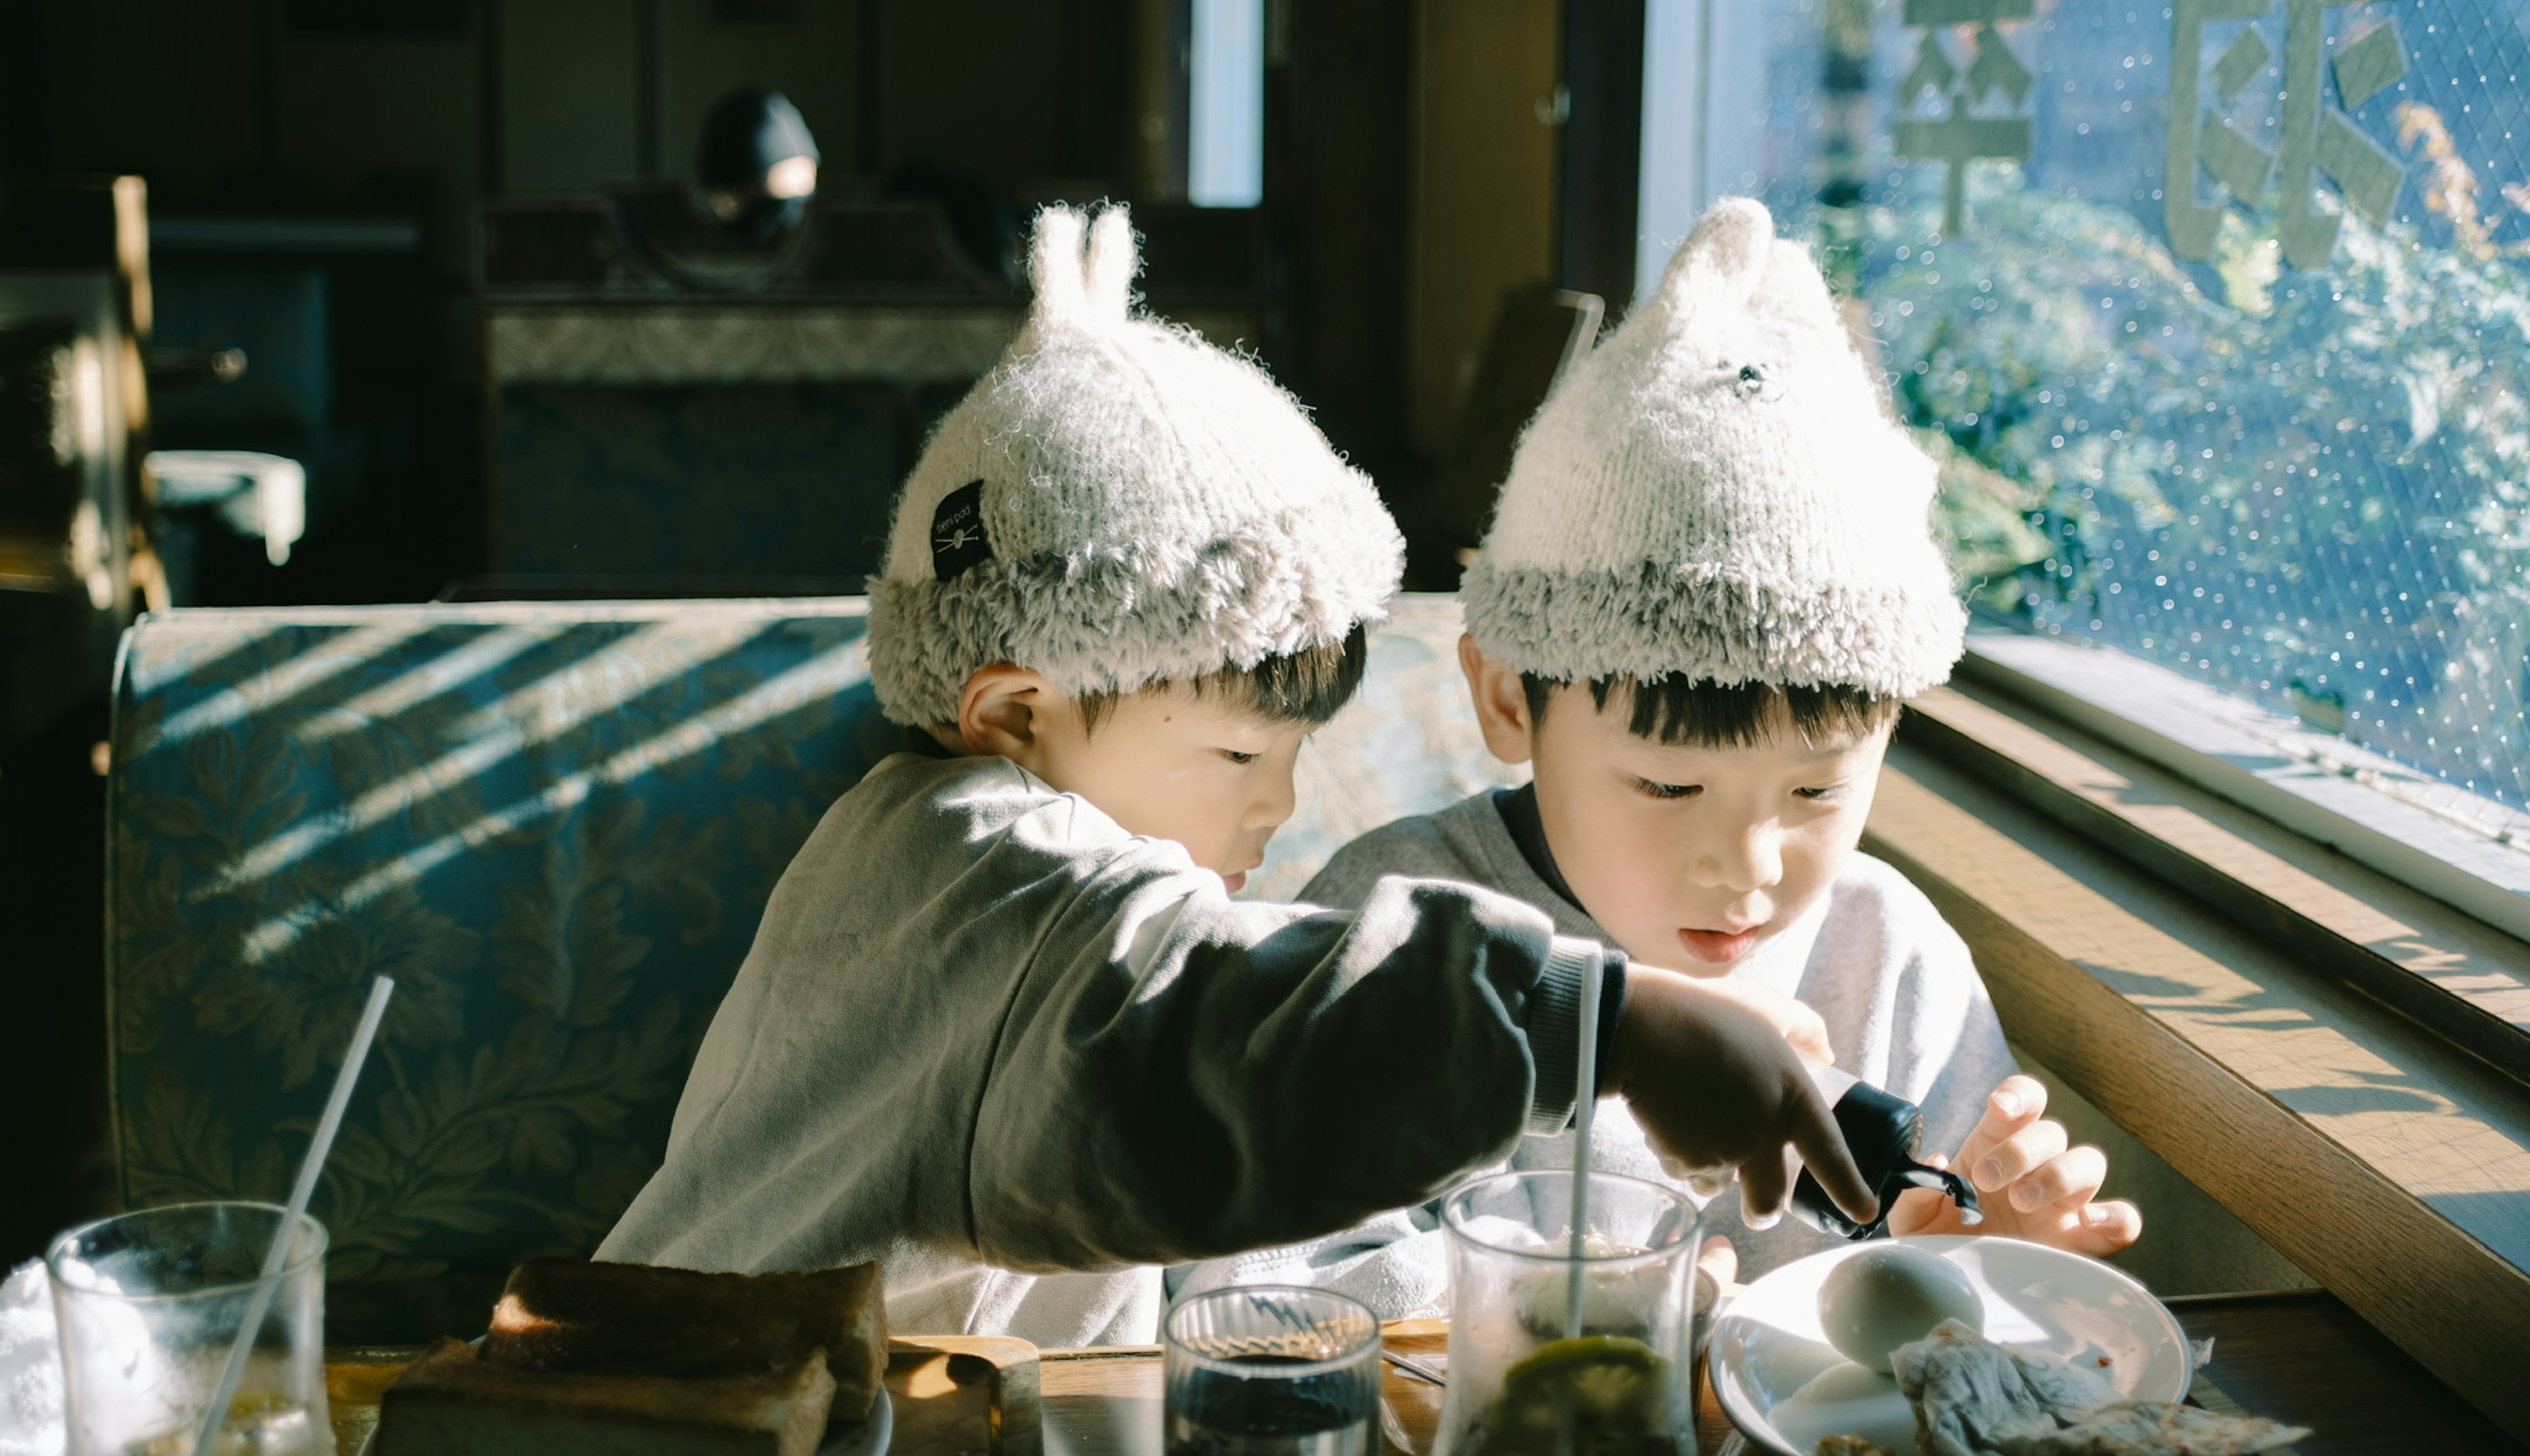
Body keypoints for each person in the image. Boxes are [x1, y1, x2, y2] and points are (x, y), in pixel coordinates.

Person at [600, 202, 1878, 1345]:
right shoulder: (996, 884)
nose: (1277, 805)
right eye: (1236, 753)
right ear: (1011, 714)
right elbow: (1213, 1035)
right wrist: (1606, 1024)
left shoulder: (915, 853)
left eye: (1294, 755)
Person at [1188, 198, 2141, 1317]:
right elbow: (1254, 1300)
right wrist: (1567, 1305)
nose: (1746, 870)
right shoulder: (1396, 934)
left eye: (1818, 789)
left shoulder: (1885, 956)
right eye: (1669, 785)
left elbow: (1913, 1339)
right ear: (1507, 697)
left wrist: (1982, 1272)